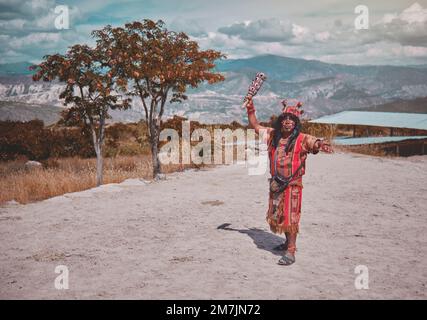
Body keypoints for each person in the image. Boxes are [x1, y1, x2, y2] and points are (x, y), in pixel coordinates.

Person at [246, 98, 333, 266]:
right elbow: (255, 125)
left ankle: (291, 251)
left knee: (291, 217)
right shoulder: (272, 135)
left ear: (296, 123)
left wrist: (320, 144)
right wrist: (250, 108)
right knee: (280, 215)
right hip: (276, 184)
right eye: (285, 119)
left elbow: (314, 142)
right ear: (281, 121)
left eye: (291, 120)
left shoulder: (302, 138)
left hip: (293, 186)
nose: (288, 122)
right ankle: (286, 243)